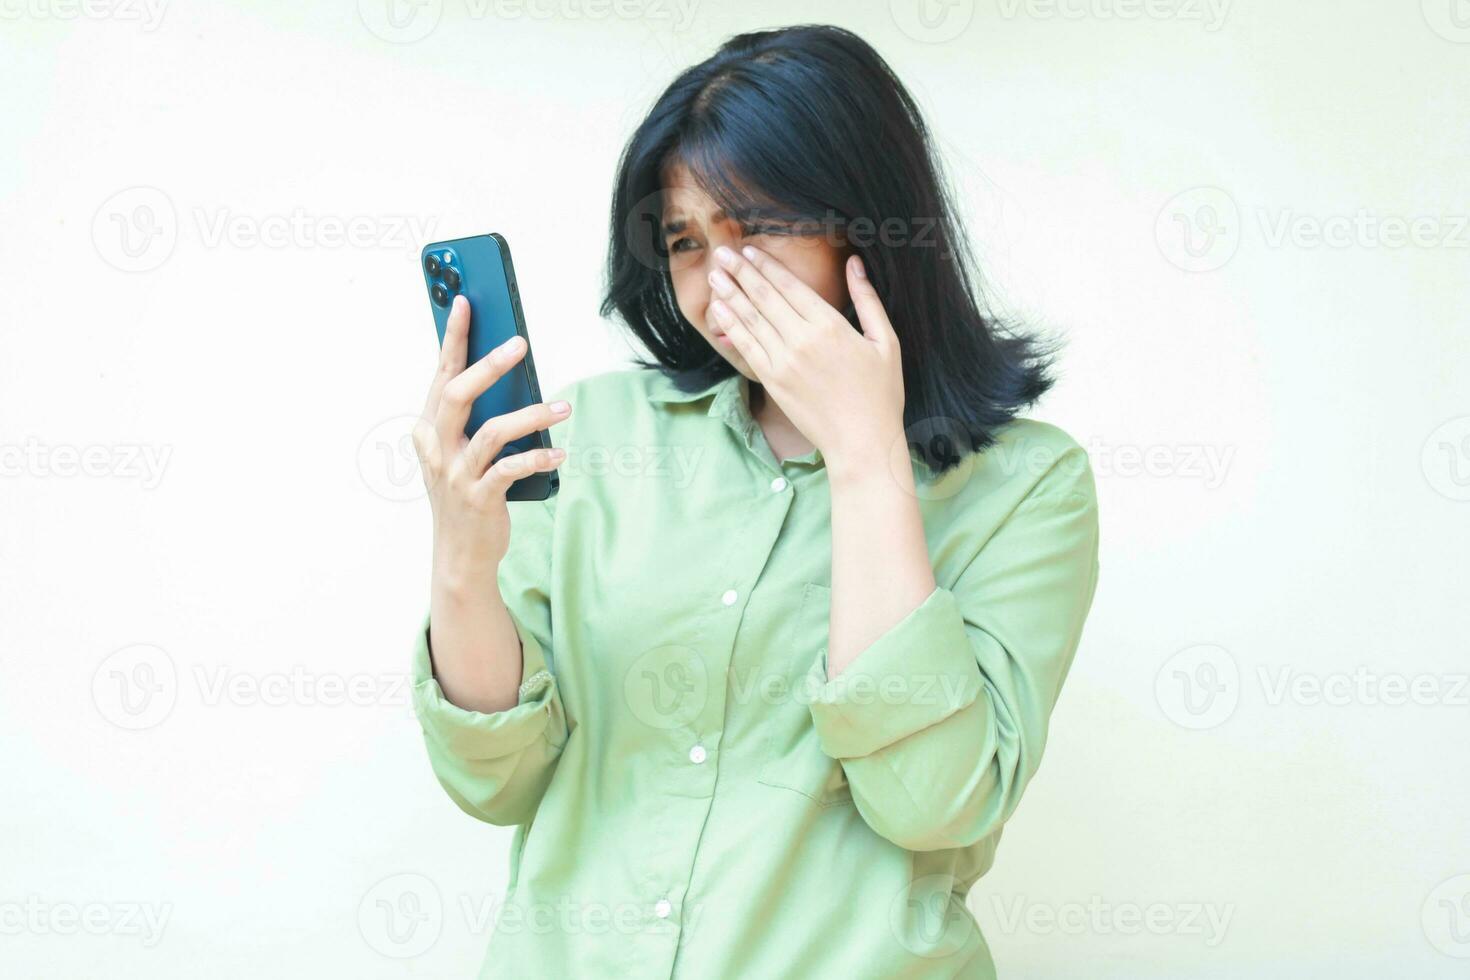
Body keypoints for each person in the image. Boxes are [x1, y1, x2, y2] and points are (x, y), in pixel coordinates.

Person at [410, 23, 1100, 979]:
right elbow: (498, 778)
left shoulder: (1029, 488)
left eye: (760, 226)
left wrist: (866, 458)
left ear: (871, 225)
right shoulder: (596, 434)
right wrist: (461, 555)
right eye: (687, 241)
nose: (718, 281)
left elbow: (932, 801)